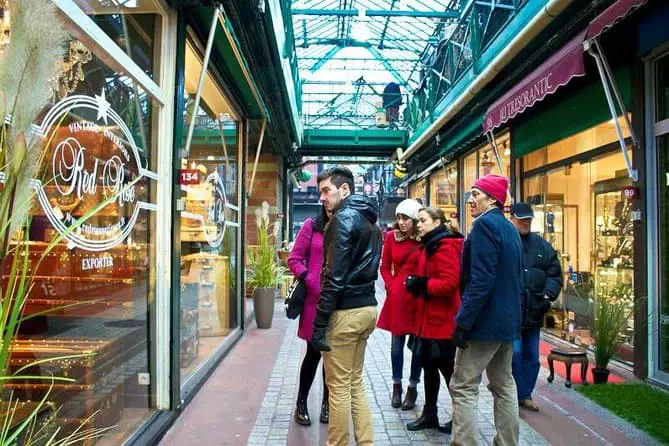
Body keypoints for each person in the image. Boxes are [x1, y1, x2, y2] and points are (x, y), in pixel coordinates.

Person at [311, 167, 383, 446]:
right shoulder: (370, 221)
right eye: (320, 192)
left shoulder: (341, 220)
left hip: (345, 313)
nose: (322, 198)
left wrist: (319, 323)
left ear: (345, 190)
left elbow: (334, 277)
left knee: (338, 388)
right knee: (354, 382)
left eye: (326, 191)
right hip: (366, 309)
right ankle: (366, 442)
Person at [450, 174, 523, 446]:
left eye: (476, 194)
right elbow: (516, 278)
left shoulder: (483, 227)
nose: (470, 199)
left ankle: (464, 442)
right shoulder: (509, 228)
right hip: (507, 323)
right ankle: (507, 442)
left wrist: (463, 321)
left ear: (493, 198)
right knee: (504, 385)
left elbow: (481, 279)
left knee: (463, 385)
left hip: (483, 323)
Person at [405, 207, 463, 434]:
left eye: (422, 220)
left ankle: (460, 417)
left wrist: (422, 285)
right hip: (427, 321)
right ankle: (430, 414)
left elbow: (450, 283)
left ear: (437, 221)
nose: (418, 224)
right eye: (417, 220)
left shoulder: (445, 246)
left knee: (448, 372)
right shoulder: (430, 244)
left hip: (441, 323)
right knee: (428, 370)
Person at [510, 202, 562, 412]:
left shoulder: (542, 246)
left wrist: (548, 295)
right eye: (521, 219)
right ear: (511, 218)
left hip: (534, 311)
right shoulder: (506, 243)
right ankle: (511, 394)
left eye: (528, 220)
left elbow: (554, 272)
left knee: (531, 356)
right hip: (512, 312)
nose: (525, 223)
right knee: (514, 354)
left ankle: (525, 394)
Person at [287, 206, 331, 426]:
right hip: (314, 302)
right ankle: (301, 403)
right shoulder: (311, 226)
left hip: (337, 302)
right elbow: (294, 259)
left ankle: (327, 404)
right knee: (313, 354)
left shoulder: (346, 226)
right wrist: (310, 279)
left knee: (332, 357)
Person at [377, 199, 423, 410]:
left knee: (417, 347)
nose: (401, 222)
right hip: (397, 298)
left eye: (406, 218)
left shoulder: (423, 239)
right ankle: (397, 386)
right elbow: (385, 267)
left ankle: (413, 387)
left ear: (415, 219)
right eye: (398, 218)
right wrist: (390, 285)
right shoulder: (391, 238)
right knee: (396, 346)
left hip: (418, 298)